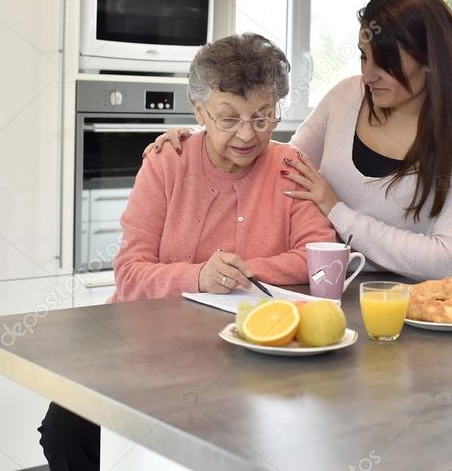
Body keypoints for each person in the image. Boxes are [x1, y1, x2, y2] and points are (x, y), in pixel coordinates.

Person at [38, 33, 335, 470]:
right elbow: (131, 273)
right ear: (199, 112)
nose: (246, 134)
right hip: (142, 339)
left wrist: (241, 271)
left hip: (243, 348)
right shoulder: (167, 161)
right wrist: (198, 277)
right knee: (64, 430)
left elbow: (318, 257)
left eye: (262, 117)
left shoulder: (289, 166)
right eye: (228, 118)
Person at [147, 0, 452, 282]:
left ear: (430, 60)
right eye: (363, 57)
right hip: (316, 288)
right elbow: (277, 167)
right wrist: (200, 137)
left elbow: (448, 260)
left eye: (385, 62)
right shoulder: (347, 96)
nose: (369, 74)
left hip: (405, 307)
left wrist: (336, 210)